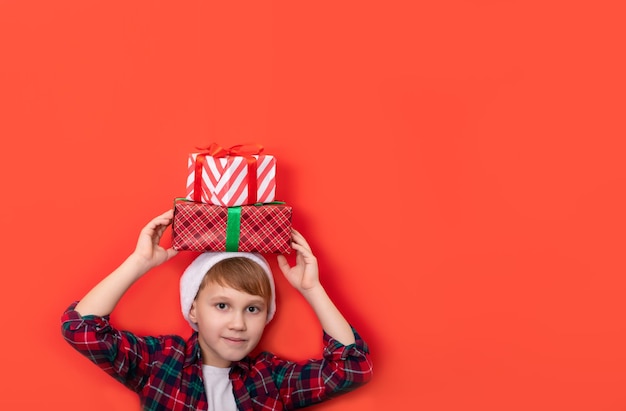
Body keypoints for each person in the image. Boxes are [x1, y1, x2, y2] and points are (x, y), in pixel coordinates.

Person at [61, 209, 372, 410]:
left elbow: (352, 368)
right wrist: (139, 263)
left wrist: (312, 290)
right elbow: (80, 329)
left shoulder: (270, 380)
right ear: (194, 309)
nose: (238, 323)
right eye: (222, 305)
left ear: (267, 316)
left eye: (252, 309)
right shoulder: (160, 364)